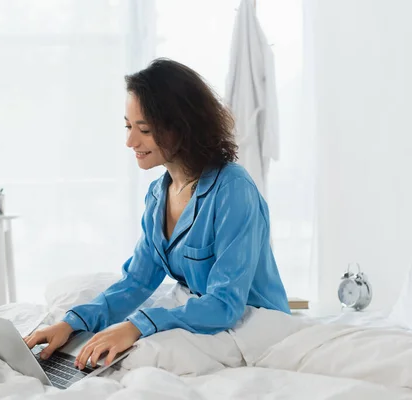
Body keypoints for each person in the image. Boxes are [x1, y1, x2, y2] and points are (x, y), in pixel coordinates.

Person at [24, 58, 290, 371]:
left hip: (251, 322)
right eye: (127, 126)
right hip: (203, 314)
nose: (130, 142)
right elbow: (136, 282)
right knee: (112, 348)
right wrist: (71, 324)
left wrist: (137, 325)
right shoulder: (158, 196)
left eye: (144, 130)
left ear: (183, 128)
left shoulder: (233, 190)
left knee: (141, 353)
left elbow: (226, 304)